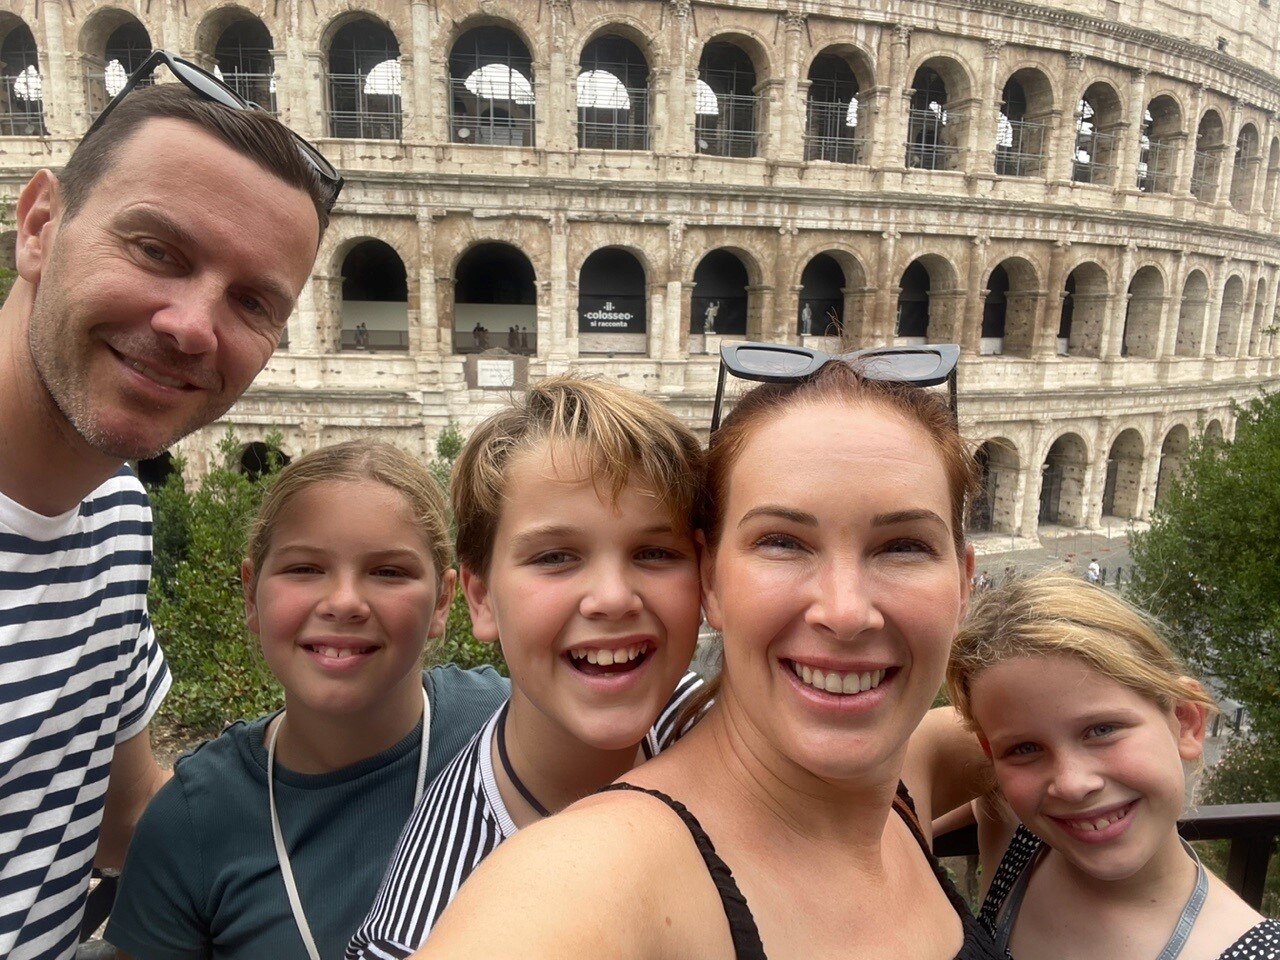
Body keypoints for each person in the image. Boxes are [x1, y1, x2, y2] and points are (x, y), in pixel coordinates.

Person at [406, 353, 1000, 959]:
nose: (844, 612)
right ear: (710, 579)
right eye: (782, 543)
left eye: (903, 546)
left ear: (963, 584)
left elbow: (1000, 735)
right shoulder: (575, 887)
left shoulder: (908, 778)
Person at [0, 52, 341, 960]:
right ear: (39, 225)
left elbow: (127, 821)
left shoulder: (114, 515)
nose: (193, 325)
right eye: (158, 250)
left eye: (254, 301)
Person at [104, 441, 509, 959]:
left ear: (443, 601)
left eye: (388, 572)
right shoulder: (190, 821)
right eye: (304, 569)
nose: (343, 602)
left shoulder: (508, 727)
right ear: (251, 595)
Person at [347, 377, 706, 958]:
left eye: (654, 553)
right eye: (556, 557)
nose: (612, 598)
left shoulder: (717, 721)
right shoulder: (423, 925)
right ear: (481, 598)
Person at [947, 572, 1279, 959]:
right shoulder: (1016, 836)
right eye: (1025, 749)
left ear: (1186, 721)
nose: (1072, 784)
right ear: (993, 758)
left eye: (1101, 730)